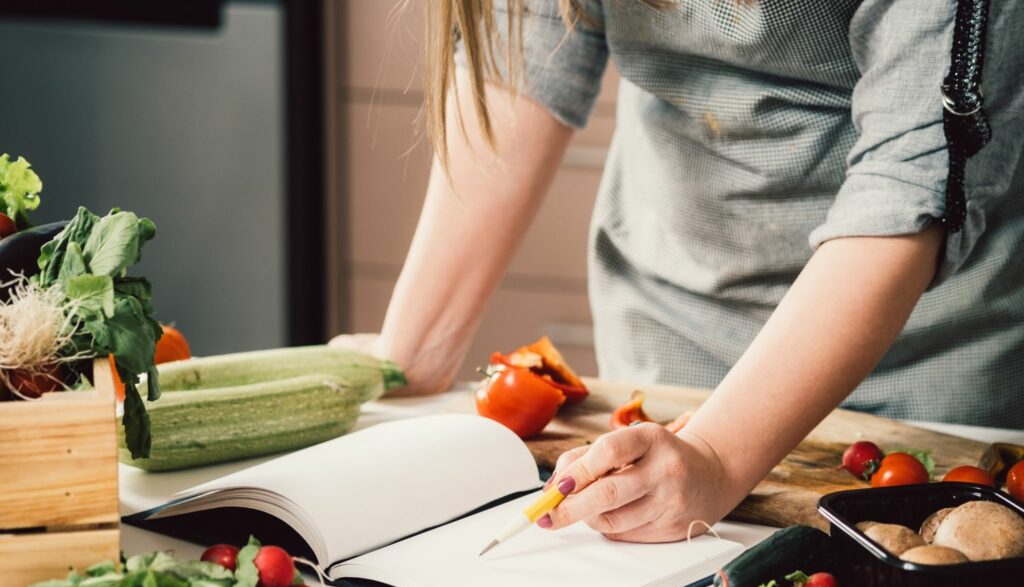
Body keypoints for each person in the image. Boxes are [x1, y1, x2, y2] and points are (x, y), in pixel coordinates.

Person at [332, 0, 1023, 543]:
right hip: (668, 339)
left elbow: (907, 184)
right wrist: (413, 350)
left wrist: (717, 455)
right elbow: (520, 62)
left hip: (924, 369)